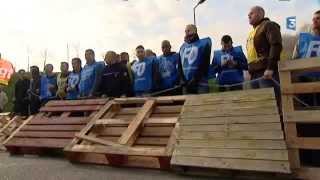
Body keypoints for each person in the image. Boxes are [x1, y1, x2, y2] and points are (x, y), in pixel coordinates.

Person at [246, 6, 282, 109]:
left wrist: (270, 67)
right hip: (254, 74)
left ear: (260, 14)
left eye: (251, 13)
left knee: (271, 106)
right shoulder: (252, 32)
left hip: (266, 72)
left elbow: (276, 45)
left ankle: (279, 125)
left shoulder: (269, 25)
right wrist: (250, 70)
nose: (248, 15)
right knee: (259, 107)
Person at [292, 10, 320, 106]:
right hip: (304, 79)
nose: (314, 21)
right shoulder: (303, 39)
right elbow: (294, 59)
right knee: (306, 108)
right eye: (313, 19)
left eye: (318, 18)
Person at [179, 24, 212, 94]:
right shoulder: (182, 47)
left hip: (201, 83)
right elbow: (180, 66)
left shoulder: (204, 44)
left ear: (195, 31)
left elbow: (205, 64)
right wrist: (182, 80)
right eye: (185, 31)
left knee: (202, 104)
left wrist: (195, 79)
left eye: (188, 31)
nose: (186, 33)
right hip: (186, 84)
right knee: (188, 104)